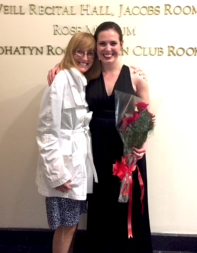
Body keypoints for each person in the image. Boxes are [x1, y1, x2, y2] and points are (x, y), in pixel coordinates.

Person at [48, 22, 152, 253]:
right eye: (102, 43)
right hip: (94, 151)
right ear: (96, 46)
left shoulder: (136, 77)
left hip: (126, 152)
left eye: (113, 43)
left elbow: (144, 115)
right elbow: (71, 70)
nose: (108, 48)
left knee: (128, 208)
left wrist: (142, 142)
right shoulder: (88, 74)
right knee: (101, 206)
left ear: (121, 45)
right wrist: (58, 66)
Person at [36, 32, 99, 253]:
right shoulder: (61, 80)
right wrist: (56, 173)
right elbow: (46, 131)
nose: (85, 57)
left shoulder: (81, 82)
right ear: (70, 52)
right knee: (66, 227)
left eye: (90, 53)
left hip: (77, 167)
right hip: (64, 169)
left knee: (71, 225)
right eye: (79, 51)